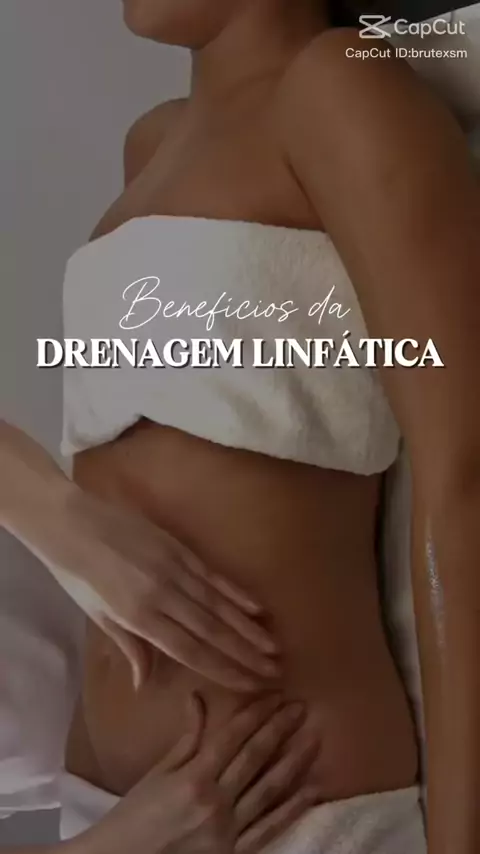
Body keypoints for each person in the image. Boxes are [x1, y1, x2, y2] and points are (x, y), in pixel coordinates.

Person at [2, 1, 480, 852]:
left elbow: (460, 472)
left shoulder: (341, 87)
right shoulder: (150, 145)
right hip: (108, 820)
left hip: (295, 812)